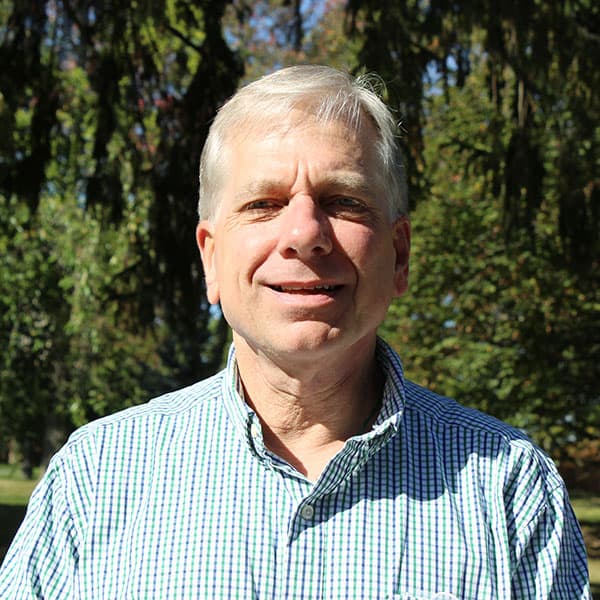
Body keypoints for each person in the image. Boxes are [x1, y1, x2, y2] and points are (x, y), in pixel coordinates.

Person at [0, 65, 590, 599]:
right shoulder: (97, 476)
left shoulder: (510, 489)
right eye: (263, 203)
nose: (304, 233)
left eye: (344, 200)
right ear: (210, 258)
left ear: (400, 255)